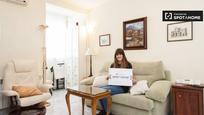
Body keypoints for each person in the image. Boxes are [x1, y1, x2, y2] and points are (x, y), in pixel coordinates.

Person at [97, 48, 136, 115]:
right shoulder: (113, 65)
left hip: (123, 88)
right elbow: (109, 77)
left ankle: (106, 112)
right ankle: (105, 111)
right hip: (113, 85)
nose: (119, 56)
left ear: (123, 55)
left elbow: (133, 79)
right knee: (98, 89)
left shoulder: (128, 64)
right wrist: (108, 77)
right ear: (115, 56)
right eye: (117, 54)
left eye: (120, 54)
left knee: (103, 91)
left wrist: (133, 80)